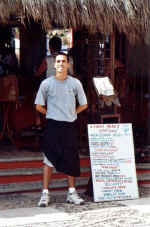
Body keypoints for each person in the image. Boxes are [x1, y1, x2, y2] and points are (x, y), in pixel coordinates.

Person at [35, 52, 88, 207]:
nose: (61, 64)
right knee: (48, 159)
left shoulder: (75, 83)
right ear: (54, 64)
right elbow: (38, 105)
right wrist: (50, 113)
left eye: (64, 61)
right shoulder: (46, 84)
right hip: (52, 125)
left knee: (71, 158)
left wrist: (73, 113)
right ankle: (45, 194)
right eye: (58, 61)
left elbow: (84, 104)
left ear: (68, 64)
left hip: (69, 125)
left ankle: (72, 192)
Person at [34, 36, 62, 130]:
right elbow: (72, 75)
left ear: (50, 48)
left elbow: (38, 73)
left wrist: (35, 71)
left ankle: (38, 123)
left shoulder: (47, 59)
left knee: (36, 98)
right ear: (60, 46)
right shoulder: (68, 59)